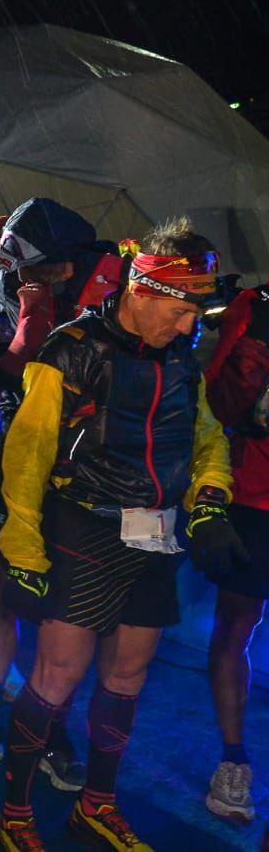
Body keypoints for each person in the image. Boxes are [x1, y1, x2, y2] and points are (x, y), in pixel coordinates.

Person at [0, 218, 242, 851]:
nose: (189, 326)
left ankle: (95, 806)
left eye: (197, 314)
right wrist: (23, 550)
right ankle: (14, 816)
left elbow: (207, 436)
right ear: (143, 290)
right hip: (83, 528)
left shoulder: (180, 357)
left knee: (127, 678)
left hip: (155, 536)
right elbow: (25, 456)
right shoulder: (71, 349)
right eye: (182, 311)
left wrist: (210, 503)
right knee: (56, 678)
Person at [0, 197, 124, 789]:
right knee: (3, 598)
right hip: (13, 468)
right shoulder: (4, 290)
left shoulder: (113, 297)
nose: (23, 274)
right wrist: (24, 318)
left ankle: (53, 732)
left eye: (37, 266)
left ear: (68, 263)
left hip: (83, 480)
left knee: (70, 615)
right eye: (17, 264)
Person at [202, 282, 269, 823]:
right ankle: (233, 759)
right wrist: (256, 348)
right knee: (235, 629)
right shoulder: (256, 306)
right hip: (256, 499)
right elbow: (215, 400)